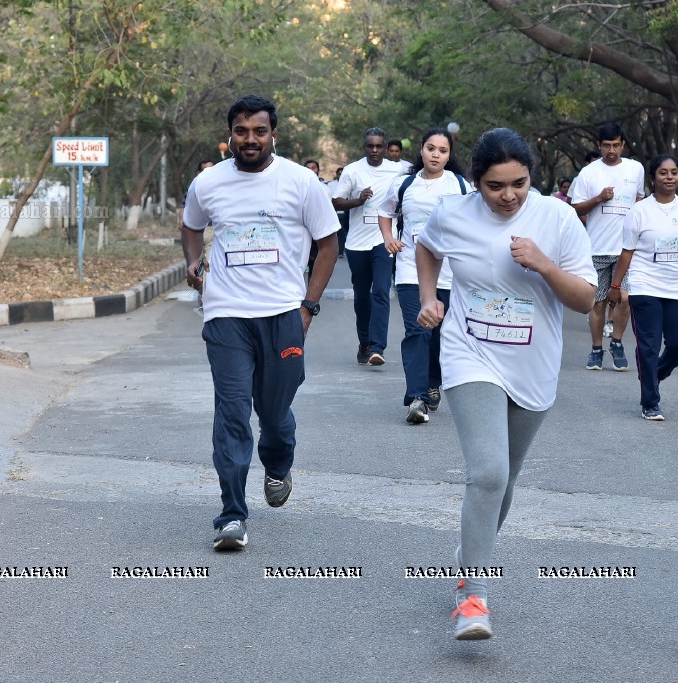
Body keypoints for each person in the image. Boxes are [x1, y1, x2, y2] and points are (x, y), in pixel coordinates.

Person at [415, 127, 595, 640]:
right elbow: (426, 249)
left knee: (506, 482)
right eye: (496, 186)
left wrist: (542, 263)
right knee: (488, 474)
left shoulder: (557, 217)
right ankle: (473, 596)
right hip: (469, 352)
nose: (509, 195)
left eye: (519, 182)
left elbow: (585, 298)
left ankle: (470, 552)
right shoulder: (453, 213)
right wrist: (430, 298)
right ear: (475, 183)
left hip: (533, 363)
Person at [181, 94, 340, 551]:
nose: (250, 140)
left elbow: (327, 245)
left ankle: (277, 461)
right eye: (241, 131)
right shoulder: (208, 183)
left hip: (283, 315)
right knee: (231, 412)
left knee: (274, 415)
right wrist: (194, 262)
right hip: (226, 314)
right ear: (229, 135)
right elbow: (192, 227)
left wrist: (308, 306)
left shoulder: (300, 181)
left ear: (274, 134)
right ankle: (232, 514)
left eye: (259, 131)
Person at [377, 127, 470, 424]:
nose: (436, 154)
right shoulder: (405, 184)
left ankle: (432, 382)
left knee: (441, 334)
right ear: (421, 150)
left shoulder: (460, 185)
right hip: (408, 269)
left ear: (449, 155)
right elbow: (385, 212)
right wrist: (388, 237)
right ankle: (416, 397)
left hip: (449, 274)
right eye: (431, 148)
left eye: (443, 150)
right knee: (417, 330)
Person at [609, 155, 678, 421]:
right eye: (663, 173)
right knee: (648, 346)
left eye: (674, 172)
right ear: (653, 178)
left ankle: (653, 375)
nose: (669, 177)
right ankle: (650, 401)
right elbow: (626, 253)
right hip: (645, 285)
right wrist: (616, 285)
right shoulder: (639, 211)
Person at [568, 122, 645, 372]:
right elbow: (575, 208)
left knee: (623, 298)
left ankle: (618, 343)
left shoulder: (636, 169)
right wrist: (599, 198)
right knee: (598, 303)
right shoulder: (589, 173)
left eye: (616, 145)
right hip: (597, 248)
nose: (611, 150)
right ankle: (596, 349)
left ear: (623, 144)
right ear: (598, 146)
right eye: (606, 145)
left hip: (626, 248)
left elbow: (640, 201)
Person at [332, 128, 405, 365]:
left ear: (385, 148)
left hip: (384, 241)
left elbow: (421, 179)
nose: (374, 150)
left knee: (381, 291)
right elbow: (336, 202)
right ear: (364, 147)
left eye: (379, 146)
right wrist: (358, 200)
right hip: (356, 244)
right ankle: (364, 342)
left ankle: (377, 348)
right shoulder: (353, 170)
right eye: (370, 146)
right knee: (362, 297)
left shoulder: (399, 169)